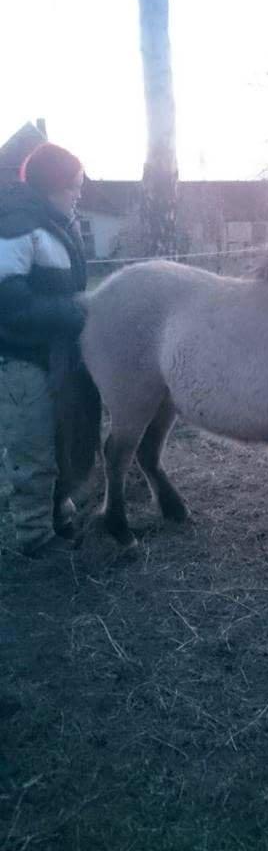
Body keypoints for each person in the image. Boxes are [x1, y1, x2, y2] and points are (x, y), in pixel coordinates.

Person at [0, 142, 88, 558]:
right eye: (74, 186)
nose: (78, 194)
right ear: (53, 186)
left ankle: (57, 513)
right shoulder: (16, 226)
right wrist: (74, 313)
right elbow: (8, 303)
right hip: (22, 357)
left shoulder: (56, 223)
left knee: (62, 436)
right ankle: (34, 535)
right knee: (32, 443)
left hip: (55, 354)